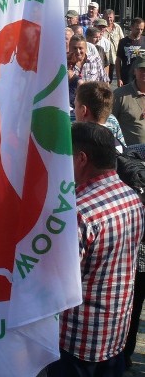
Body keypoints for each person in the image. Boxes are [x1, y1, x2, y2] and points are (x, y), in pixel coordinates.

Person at [47, 123, 145, 375]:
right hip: (115, 333)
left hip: (78, 342)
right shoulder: (132, 197)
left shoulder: (79, 212)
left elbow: (56, 283)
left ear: (81, 158)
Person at [112, 55, 145, 146]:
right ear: (134, 71)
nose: (144, 72)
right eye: (141, 68)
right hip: (131, 156)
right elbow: (109, 124)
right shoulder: (119, 95)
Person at [117, 18, 145, 87]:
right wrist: (119, 78)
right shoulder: (123, 42)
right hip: (127, 78)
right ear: (131, 27)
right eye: (137, 29)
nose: (139, 31)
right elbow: (118, 61)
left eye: (142, 29)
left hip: (141, 78)